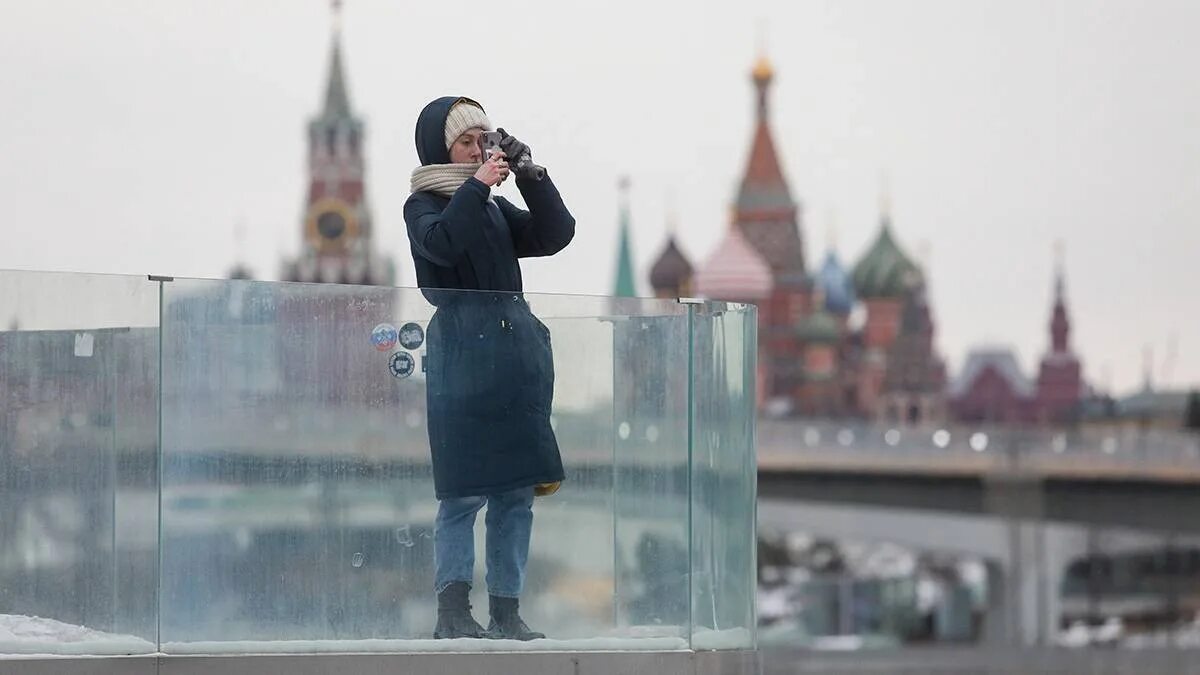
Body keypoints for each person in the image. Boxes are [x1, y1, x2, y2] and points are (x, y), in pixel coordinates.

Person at [404, 96, 575, 640]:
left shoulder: (497, 209)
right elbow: (443, 246)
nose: (480, 149)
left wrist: (532, 175)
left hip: (514, 365)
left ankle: (506, 612)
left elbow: (555, 235)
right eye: (467, 141)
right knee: (461, 496)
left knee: (516, 497)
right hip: (461, 363)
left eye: (485, 140)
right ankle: (453, 612)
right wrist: (478, 184)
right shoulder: (424, 204)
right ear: (441, 149)